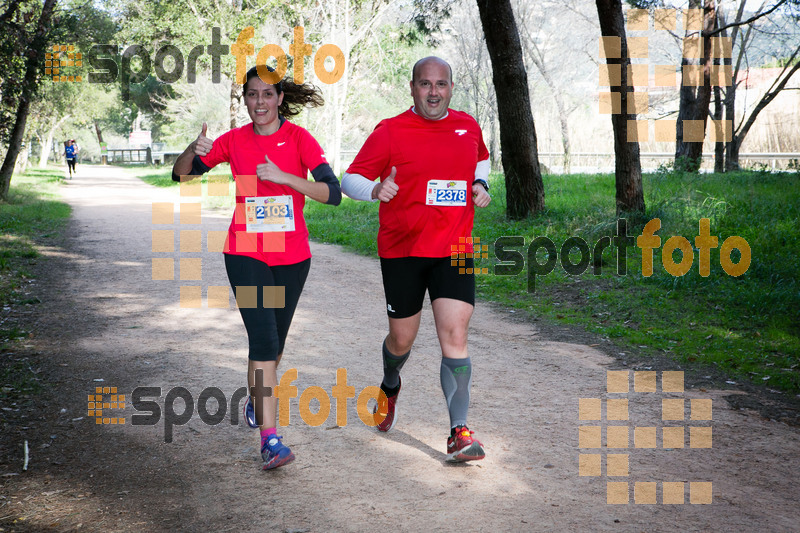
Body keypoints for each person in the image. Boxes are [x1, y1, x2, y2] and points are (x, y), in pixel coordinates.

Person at [172, 66, 341, 470]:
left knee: (273, 346)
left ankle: (255, 398)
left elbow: (332, 194)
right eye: (252, 95)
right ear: (244, 99)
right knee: (264, 344)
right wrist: (193, 149)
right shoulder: (233, 140)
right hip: (245, 252)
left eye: (268, 94)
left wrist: (286, 178)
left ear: (280, 98)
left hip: (293, 256)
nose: (260, 102)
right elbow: (180, 175)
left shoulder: (300, 139)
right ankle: (271, 440)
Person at [341, 56, 492, 463]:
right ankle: (391, 383)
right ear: (412, 88)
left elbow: (481, 158)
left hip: (455, 247)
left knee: (455, 336)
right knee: (402, 339)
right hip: (403, 250)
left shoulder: (468, 126)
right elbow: (349, 178)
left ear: (451, 88)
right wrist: (374, 191)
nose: (433, 92)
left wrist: (480, 183)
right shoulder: (390, 131)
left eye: (441, 84)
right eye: (425, 84)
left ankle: (458, 432)